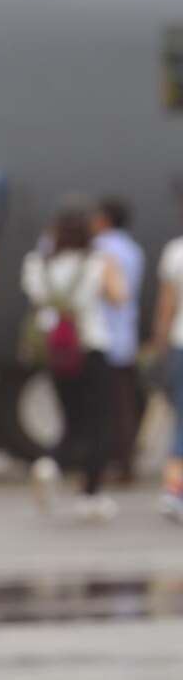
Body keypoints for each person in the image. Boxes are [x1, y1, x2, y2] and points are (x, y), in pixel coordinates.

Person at [22, 205, 120, 518]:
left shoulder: (37, 265)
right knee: (97, 424)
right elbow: (119, 296)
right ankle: (90, 494)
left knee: (70, 419)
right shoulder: (96, 263)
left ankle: (50, 462)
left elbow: (35, 297)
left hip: (58, 352)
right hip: (91, 347)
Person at [91, 197, 145, 485]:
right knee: (124, 403)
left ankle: (115, 461)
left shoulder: (102, 249)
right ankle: (126, 460)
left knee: (107, 406)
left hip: (104, 337)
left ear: (105, 218)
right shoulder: (133, 250)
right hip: (126, 334)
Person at [154, 194, 183, 522]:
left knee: (181, 419)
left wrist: (159, 344)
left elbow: (167, 306)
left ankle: (173, 488)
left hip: (180, 342)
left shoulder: (176, 252)